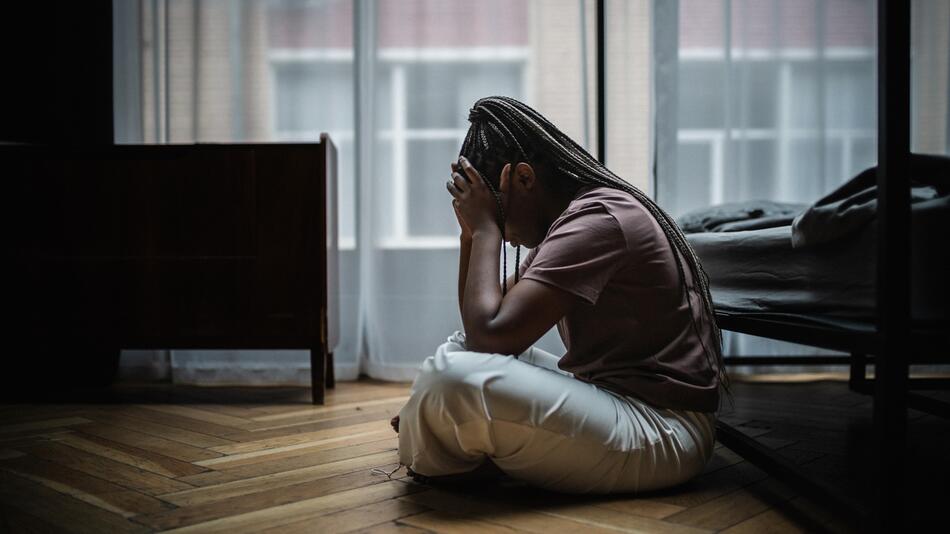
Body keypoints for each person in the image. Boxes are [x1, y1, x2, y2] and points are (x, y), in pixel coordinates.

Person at [387, 96, 730, 494]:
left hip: (663, 429)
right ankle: (447, 434)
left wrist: (484, 232)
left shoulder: (600, 219)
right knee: (460, 351)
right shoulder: (574, 220)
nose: (506, 233)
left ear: (525, 180)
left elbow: (493, 333)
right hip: (614, 400)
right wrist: (470, 233)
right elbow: (481, 327)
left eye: (498, 212)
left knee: (453, 381)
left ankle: (447, 442)